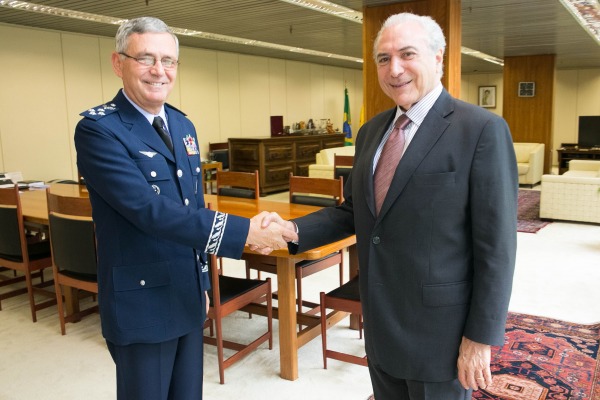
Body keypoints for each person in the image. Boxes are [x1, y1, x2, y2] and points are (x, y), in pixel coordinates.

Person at [262, 12, 518, 400]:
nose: (394, 69)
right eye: (383, 58)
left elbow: (496, 246)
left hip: (441, 337)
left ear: (437, 58)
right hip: (381, 327)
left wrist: (479, 338)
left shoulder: (480, 130)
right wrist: (294, 230)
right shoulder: (370, 132)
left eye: (407, 54)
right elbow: (355, 211)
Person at [74, 17, 291, 400]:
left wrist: (203, 283)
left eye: (169, 60)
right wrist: (244, 233)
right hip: (141, 301)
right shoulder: (99, 130)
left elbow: (192, 205)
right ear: (117, 63)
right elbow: (147, 210)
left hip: (187, 296)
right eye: (146, 59)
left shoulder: (181, 124)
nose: (160, 71)